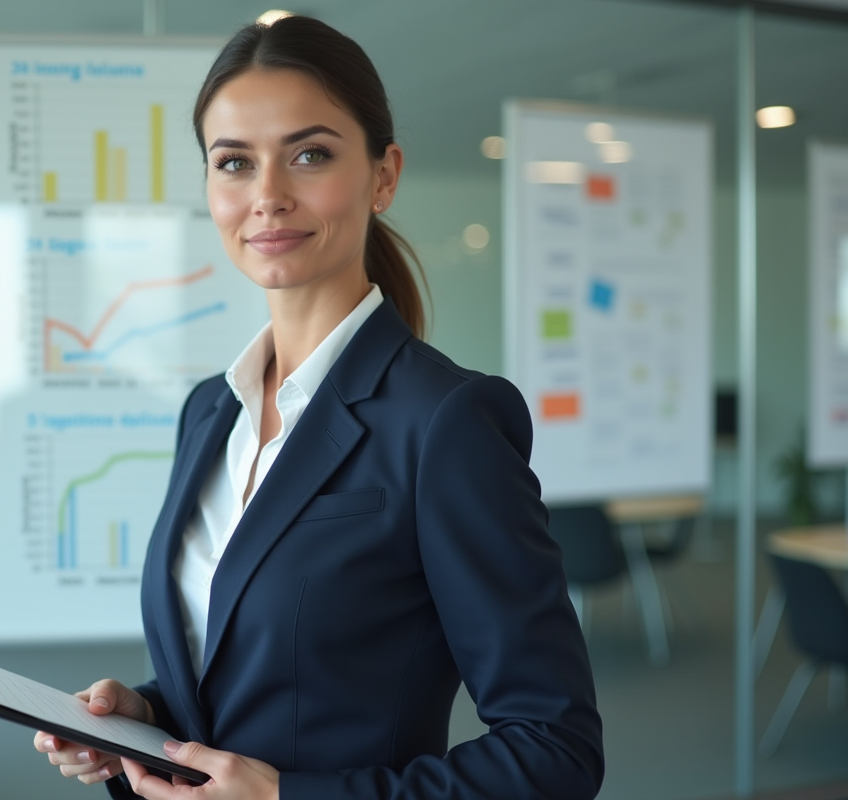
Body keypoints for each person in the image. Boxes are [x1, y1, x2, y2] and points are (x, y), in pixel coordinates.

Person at [35, 15, 604, 800]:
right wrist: (145, 719)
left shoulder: (446, 422)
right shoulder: (210, 412)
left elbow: (553, 751)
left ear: (383, 175)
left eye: (309, 154)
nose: (267, 196)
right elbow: (260, 673)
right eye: (234, 162)